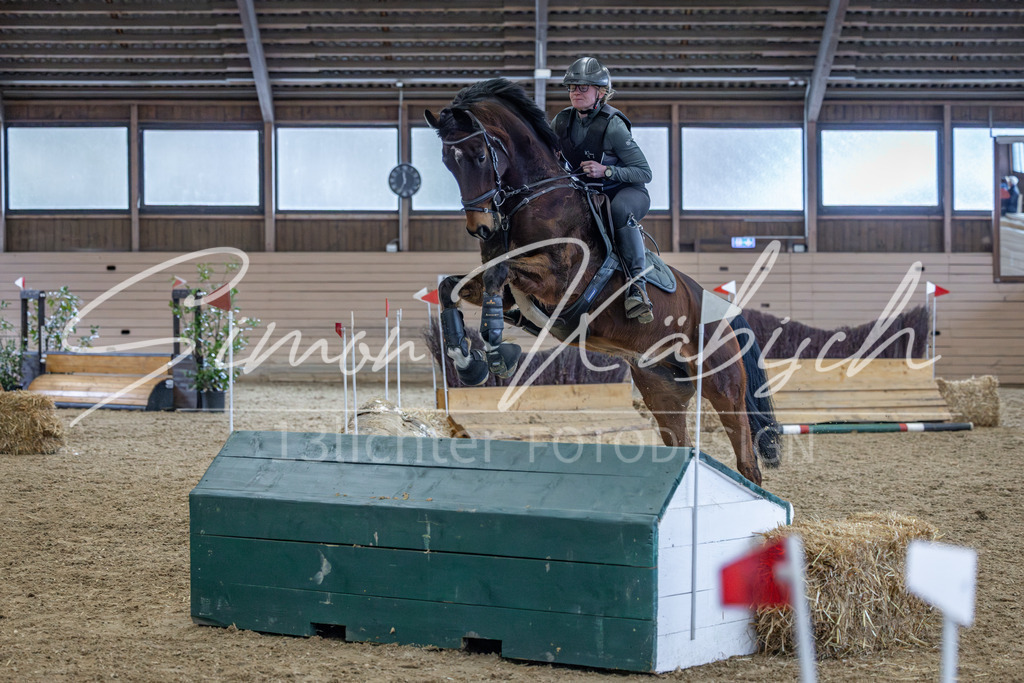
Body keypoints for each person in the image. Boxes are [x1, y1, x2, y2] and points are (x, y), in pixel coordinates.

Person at [551, 57, 655, 324]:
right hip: (588, 194)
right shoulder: (561, 121)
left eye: (583, 87)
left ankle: (638, 288)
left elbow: (644, 172)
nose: (576, 92)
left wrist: (606, 171)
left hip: (626, 192)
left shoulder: (614, 125)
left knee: (619, 210)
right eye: (572, 87)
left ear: (600, 92)